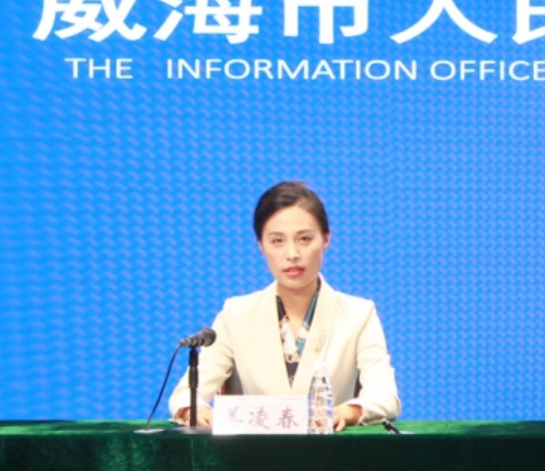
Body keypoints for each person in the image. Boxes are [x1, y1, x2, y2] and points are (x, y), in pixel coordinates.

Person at [170, 181, 400, 429]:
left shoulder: (359, 314)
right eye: (277, 241)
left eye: (304, 239)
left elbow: (385, 397)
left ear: (326, 239)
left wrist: (346, 412)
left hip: (328, 449)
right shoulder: (236, 314)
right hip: (254, 451)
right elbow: (185, 395)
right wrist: (196, 411)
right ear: (261, 245)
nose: (292, 254)